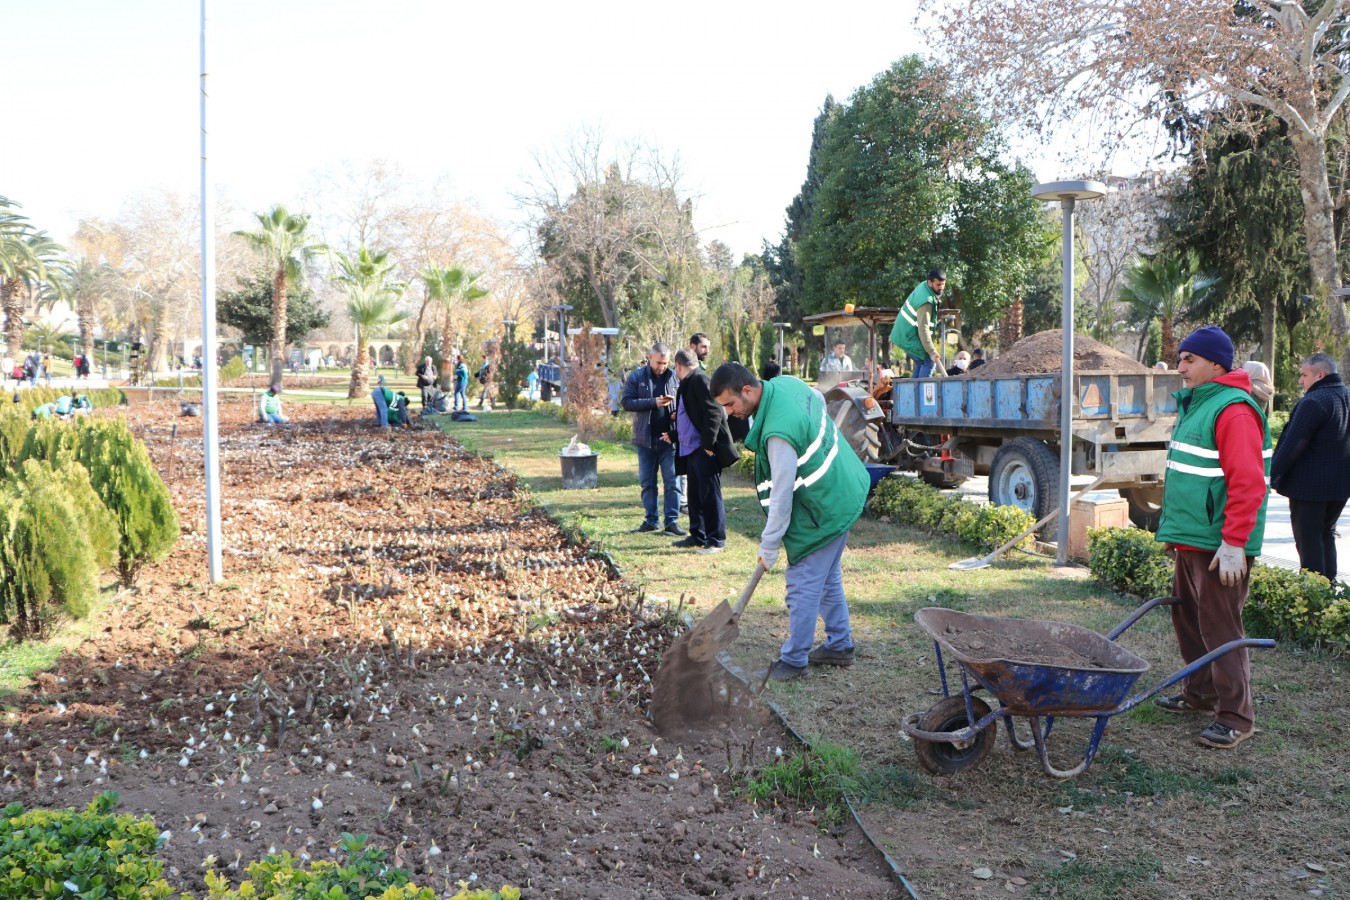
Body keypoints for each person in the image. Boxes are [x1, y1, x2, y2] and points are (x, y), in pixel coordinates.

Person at [711, 362, 870, 681]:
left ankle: (795, 660)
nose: (728, 413)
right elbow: (817, 399)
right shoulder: (786, 383)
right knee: (826, 578)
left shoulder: (778, 434)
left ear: (747, 391)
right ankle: (840, 645)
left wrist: (769, 545)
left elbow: (782, 494)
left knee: (802, 584)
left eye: (730, 404)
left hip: (824, 510)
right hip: (845, 490)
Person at [1154, 326, 1271, 749]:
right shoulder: (1199, 404)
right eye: (1181, 359)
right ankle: (1200, 694)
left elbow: (1248, 484)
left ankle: (1237, 717)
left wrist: (1235, 542)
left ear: (1215, 364)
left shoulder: (1233, 410)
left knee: (1221, 628)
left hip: (1221, 545)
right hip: (1194, 539)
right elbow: (1190, 477)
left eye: (1189, 359)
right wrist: (1177, 531)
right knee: (1188, 620)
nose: (1180, 367)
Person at [1270, 352, 1350, 581]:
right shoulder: (1346, 395)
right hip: (1340, 487)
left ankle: (1312, 594)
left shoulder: (1314, 401)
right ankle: (1329, 592)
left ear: (1320, 374)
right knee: (1326, 534)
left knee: (1309, 540)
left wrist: (1270, 475)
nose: (1300, 380)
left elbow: (1293, 445)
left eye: (1304, 375)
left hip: (1310, 488)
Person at [670, 348, 738, 554]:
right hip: (691, 449)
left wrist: (708, 445)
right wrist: (673, 435)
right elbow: (691, 415)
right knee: (695, 496)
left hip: (704, 449)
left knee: (709, 495)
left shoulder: (699, 379)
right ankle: (697, 535)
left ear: (678, 366)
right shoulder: (688, 380)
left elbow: (714, 412)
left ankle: (716, 539)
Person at [621, 342, 685, 536]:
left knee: (672, 482)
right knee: (648, 483)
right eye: (659, 362)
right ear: (650, 358)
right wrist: (653, 403)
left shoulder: (675, 377)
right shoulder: (637, 377)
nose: (662, 367)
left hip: (669, 439)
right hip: (645, 439)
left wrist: (676, 413)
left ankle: (672, 522)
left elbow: (685, 402)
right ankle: (651, 520)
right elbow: (626, 402)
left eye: (665, 363)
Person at [890, 268, 947, 378]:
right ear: (930, 282)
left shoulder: (924, 286)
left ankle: (913, 393)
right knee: (928, 361)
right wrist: (932, 351)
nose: (941, 287)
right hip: (908, 336)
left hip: (904, 334)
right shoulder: (926, 301)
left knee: (922, 362)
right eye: (938, 284)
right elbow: (923, 329)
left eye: (943, 284)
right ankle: (922, 394)